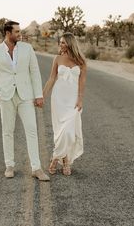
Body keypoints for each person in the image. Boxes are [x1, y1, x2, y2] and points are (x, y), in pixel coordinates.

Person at [0, 20, 50, 181]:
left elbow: (34, 72)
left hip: (25, 95)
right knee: (7, 131)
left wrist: (38, 95)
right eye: (17, 32)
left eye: (20, 31)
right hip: (5, 96)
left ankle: (36, 168)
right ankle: (9, 166)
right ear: (8, 33)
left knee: (32, 129)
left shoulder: (27, 49)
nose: (20, 34)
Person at [43, 32, 86, 176]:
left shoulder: (81, 61)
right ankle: (66, 162)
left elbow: (82, 82)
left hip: (73, 99)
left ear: (69, 43)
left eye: (62, 42)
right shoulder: (57, 59)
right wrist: (42, 95)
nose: (60, 45)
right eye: (60, 42)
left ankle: (55, 158)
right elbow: (51, 79)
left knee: (69, 132)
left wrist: (80, 99)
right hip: (58, 98)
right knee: (60, 131)